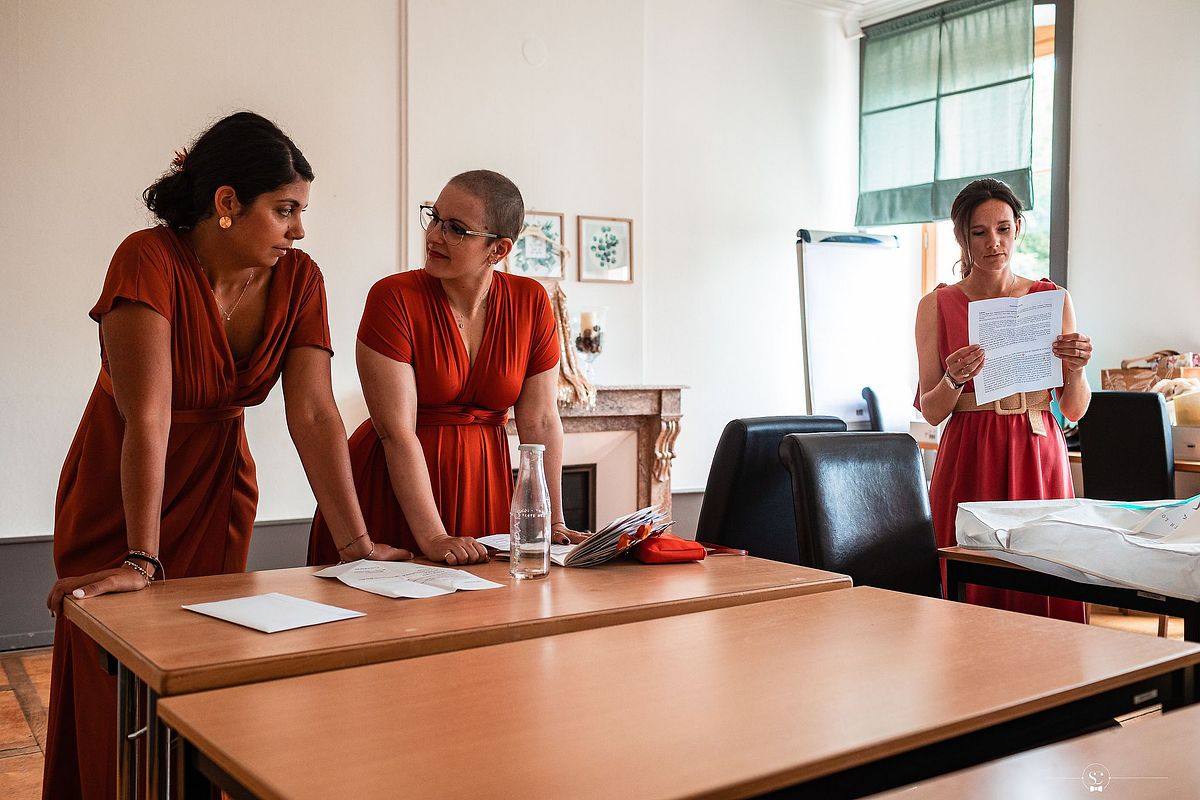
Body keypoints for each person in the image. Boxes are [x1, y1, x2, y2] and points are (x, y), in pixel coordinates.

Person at [43, 111, 410, 799]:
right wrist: (139, 559)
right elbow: (145, 416)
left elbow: (314, 412)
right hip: (121, 491)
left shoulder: (300, 280)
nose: (298, 228)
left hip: (218, 489)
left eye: (301, 210)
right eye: (285, 210)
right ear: (225, 204)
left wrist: (358, 543)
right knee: (112, 683)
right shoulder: (145, 259)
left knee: (203, 674)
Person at [307, 170, 584, 567]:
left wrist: (552, 520)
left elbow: (540, 421)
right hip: (392, 489)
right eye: (434, 217)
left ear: (498, 250)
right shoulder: (393, 297)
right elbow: (396, 431)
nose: (434, 235)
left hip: (485, 484)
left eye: (456, 228)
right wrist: (433, 535)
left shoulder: (532, 302)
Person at [915, 177, 1092, 621]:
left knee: (1044, 566)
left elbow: (1073, 408)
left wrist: (1079, 367)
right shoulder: (936, 306)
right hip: (970, 448)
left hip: (1038, 446)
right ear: (961, 237)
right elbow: (933, 411)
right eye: (980, 232)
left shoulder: (1052, 298)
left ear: (1017, 229)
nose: (994, 243)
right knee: (968, 567)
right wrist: (955, 378)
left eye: (1004, 229)